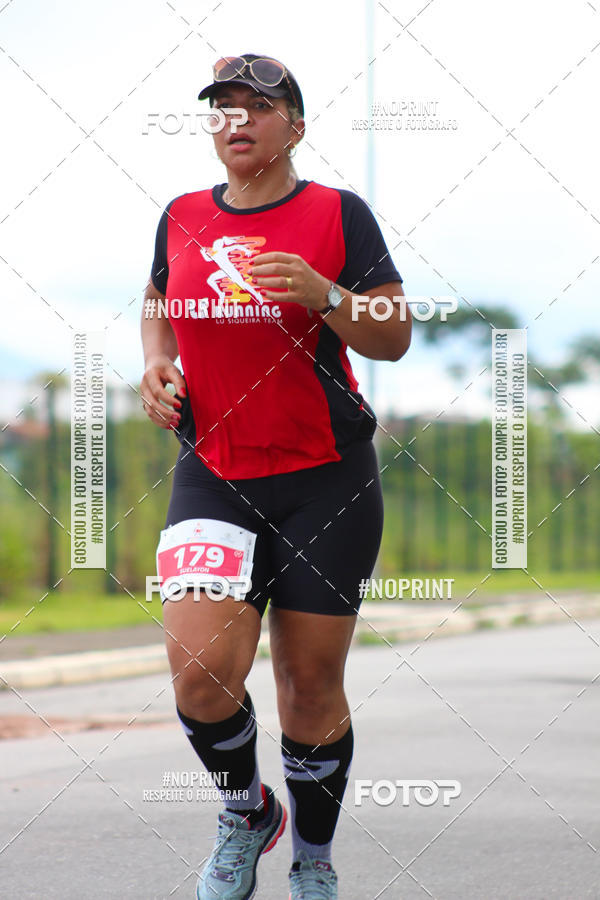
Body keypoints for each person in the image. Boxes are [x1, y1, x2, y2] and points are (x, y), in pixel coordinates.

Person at [141, 53, 411, 900]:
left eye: (257, 106)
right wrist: (155, 362)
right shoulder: (182, 215)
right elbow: (157, 299)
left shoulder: (338, 213)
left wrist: (327, 292)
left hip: (325, 479)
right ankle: (246, 812)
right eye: (223, 107)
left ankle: (314, 859)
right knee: (199, 673)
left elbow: (394, 334)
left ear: (294, 126)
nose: (238, 121)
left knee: (308, 684)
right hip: (214, 471)